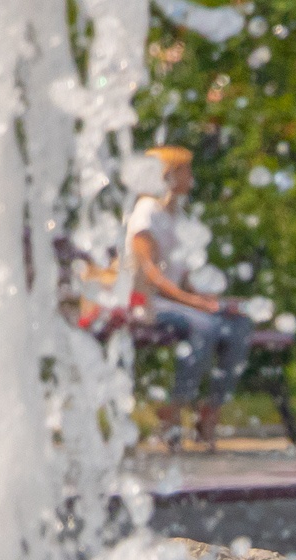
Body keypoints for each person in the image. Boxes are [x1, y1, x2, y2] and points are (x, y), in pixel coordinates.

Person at [125, 145, 253, 450]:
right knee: (205, 326)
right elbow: (152, 276)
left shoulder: (176, 214)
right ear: (167, 174)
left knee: (237, 325)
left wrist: (215, 301)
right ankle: (174, 409)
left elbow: (180, 277)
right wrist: (196, 304)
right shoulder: (146, 213)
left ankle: (211, 410)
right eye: (186, 170)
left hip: (173, 301)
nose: (191, 177)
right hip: (147, 303)